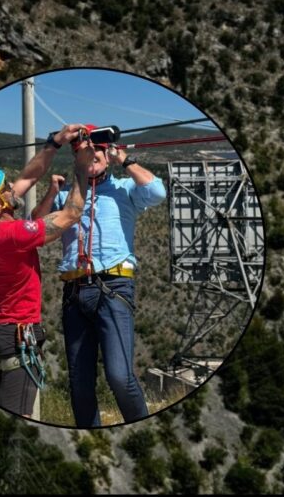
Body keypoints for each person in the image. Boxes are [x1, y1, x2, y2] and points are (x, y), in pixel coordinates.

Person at [0, 122, 92, 418]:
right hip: (17, 335)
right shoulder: (13, 235)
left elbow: (28, 178)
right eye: (4, 189)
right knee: (18, 423)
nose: (10, 189)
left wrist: (54, 143)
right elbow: (72, 214)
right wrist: (82, 167)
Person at [43, 123, 167, 427]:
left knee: (119, 376)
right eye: (85, 152)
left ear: (106, 154)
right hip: (74, 290)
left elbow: (157, 191)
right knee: (80, 384)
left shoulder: (124, 189)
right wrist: (51, 193)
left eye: (97, 151)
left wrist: (123, 159)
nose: (92, 156)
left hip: (113, 286)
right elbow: (37, 227)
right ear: (77, 158)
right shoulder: (67, 198)